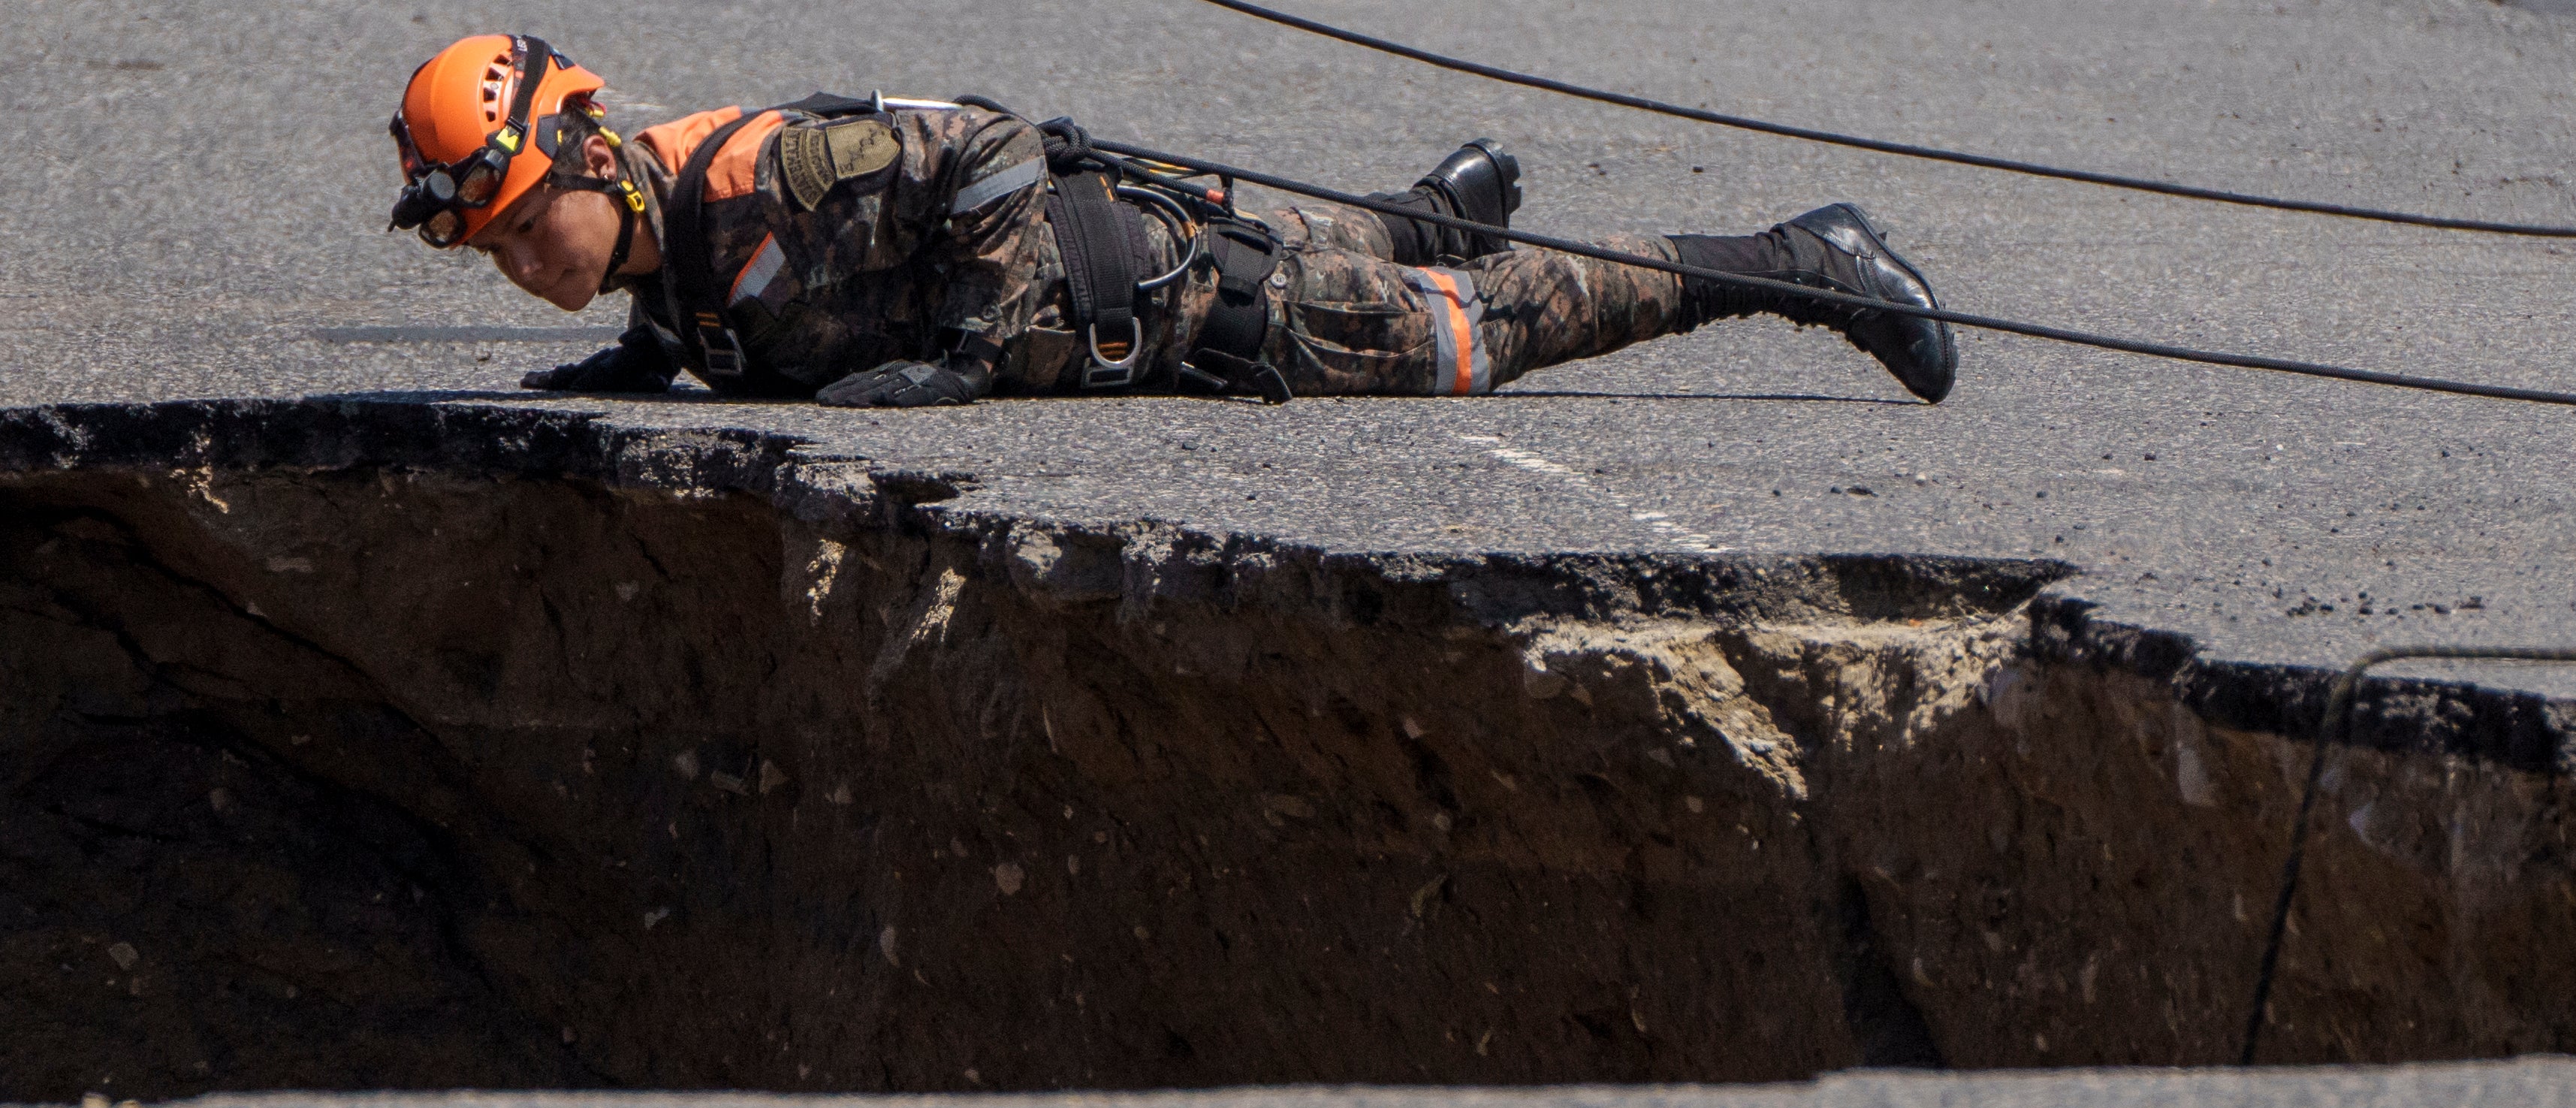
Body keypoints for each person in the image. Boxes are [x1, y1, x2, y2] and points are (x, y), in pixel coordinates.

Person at [385, 32, 1958, 409]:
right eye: (495, 250)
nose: (523, 266)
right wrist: (646, 356)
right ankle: (1434, 214)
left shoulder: (749, 179)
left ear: (589, 151)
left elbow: (986, 147)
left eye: (526, 224)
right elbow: (740, 297)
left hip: (1192, 309)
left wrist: (966, 353)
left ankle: (1799, 262)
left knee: (1509, 332)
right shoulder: (674, 254)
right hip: (1145, 265)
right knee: (1367, 243)